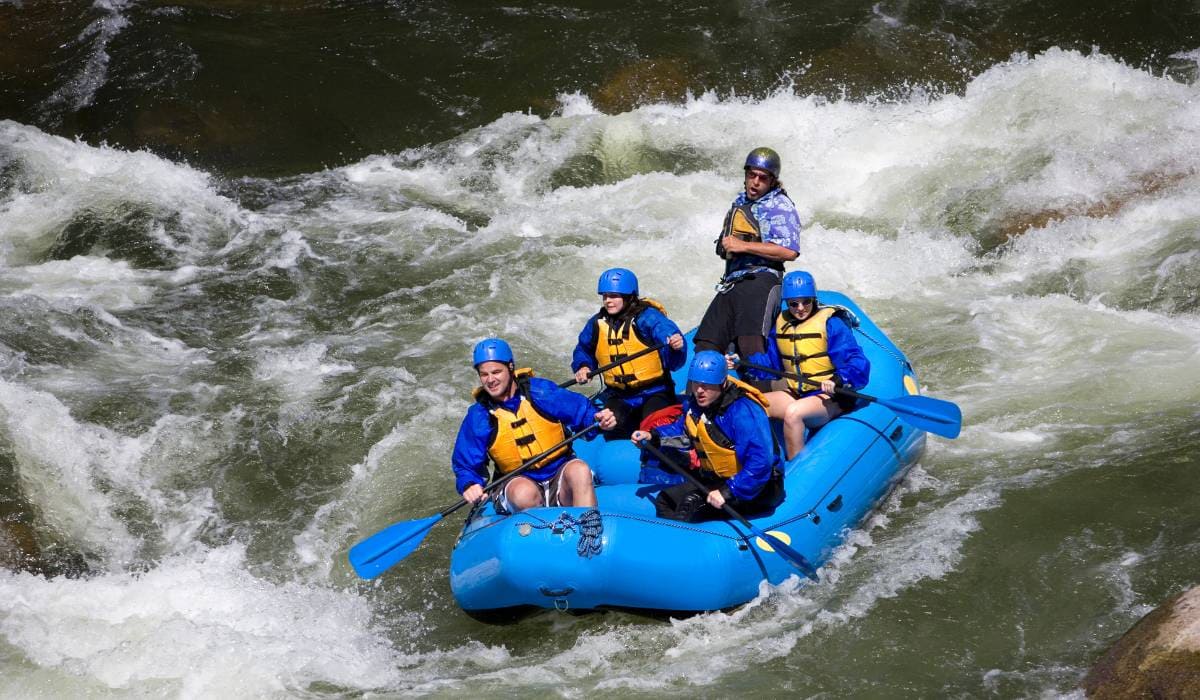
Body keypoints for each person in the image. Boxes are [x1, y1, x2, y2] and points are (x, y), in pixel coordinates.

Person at [452, 338, 617, 512]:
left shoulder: (540, 392)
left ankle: (588, 530)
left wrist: (598, 420)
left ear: (510, 367)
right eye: (484, 374)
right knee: (524, 493)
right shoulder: (479, 415)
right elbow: (465, 463)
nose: (490, 380)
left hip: (559, 473)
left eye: (496, 372)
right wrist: (469, 483)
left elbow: (583, 413)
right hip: (517, 481)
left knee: (580, 470)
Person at [631, 350, 784, 522]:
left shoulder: (743, 412)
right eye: (696, 384)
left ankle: (688, 544)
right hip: (719, 480)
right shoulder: (695, 407)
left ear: (722, 383)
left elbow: (760, 462)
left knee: (690, 506)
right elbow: (684, 434)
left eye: (707, 385)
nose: (699, 391)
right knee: (665, 500)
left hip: (758, 487)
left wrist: (728, 491)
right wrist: (653, 436)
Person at [737, 270, 870, 460]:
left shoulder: (831, 324)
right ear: (787, 303)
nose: (800, 308)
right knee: (748, 405)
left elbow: (857, 362)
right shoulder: (782, 325)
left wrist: (838, 379)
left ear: (813, 299)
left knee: (793, 414)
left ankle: (796, 471)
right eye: (794, 303)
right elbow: (771, 364)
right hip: (797, 393)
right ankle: (758, 463)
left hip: (830, 398)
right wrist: (742, 363)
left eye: (806, 301)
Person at [694, 147, 801, 376]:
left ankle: (764, 397)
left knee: (749, 344)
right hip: (732, 282)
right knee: (706, 344)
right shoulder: (740, 202)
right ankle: (699, 406)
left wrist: (743, 245)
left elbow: (789, 251)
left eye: (762, 178)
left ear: (772, 181)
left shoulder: (779, 206)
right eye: (752, 175)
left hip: (761, 279)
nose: (755, 182)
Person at [571, 268, 686, 438]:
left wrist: (675, 344)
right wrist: (583, 366)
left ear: (629, 296)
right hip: (619, 395)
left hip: (655, 391)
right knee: (609, 424)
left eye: (614, 296)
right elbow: (584, 349)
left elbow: (663, 330)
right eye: (605, 296)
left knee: (655, 427)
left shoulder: (647, 317)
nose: (608, 301)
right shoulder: (596, 323)